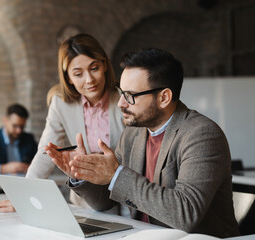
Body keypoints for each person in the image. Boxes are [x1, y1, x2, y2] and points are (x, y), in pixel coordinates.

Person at [46, 48, 240, 238]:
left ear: (164, 97)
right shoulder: (132, 135)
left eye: (130, 96)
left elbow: (185, 214)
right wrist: (82, 173)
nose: (121, 103)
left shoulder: (202, 135)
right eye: (121, 92)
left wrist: (116, 174)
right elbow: (105, 201)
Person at [0, 33, 124, 213]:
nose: (89, 80)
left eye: (94, 68)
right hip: (87, 203)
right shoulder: (61, 103)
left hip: (127, 201)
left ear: (104, 65)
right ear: (68, 78)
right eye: (78, 74)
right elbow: (46, 151)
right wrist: (22, 197)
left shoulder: (124, 97)